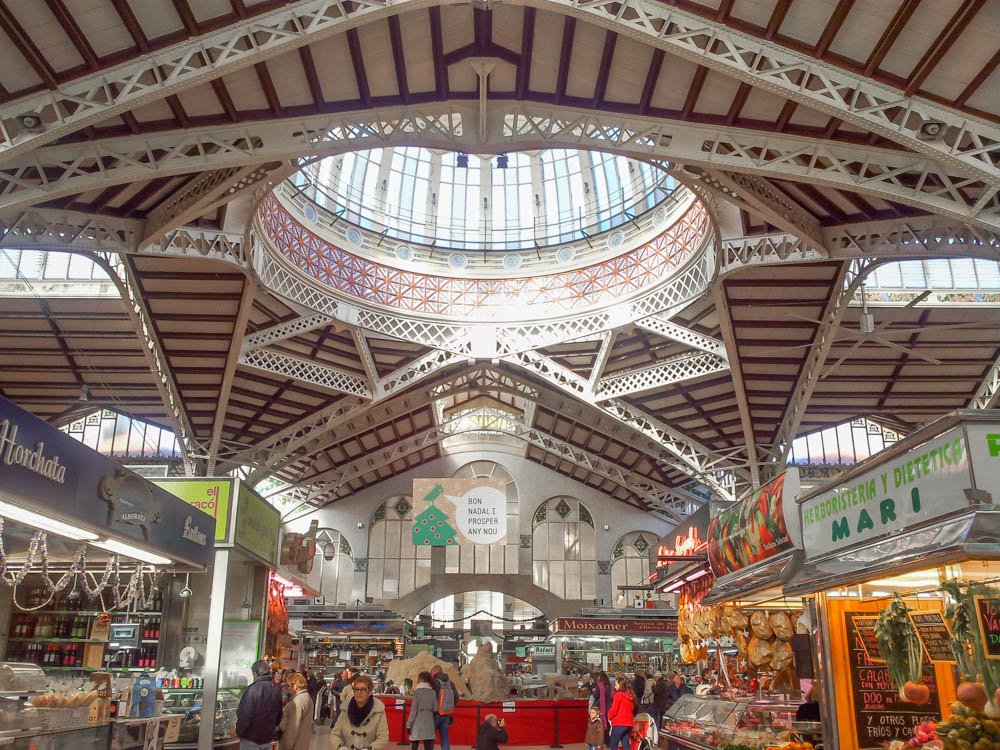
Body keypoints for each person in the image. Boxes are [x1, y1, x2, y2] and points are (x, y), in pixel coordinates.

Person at [330, 674, 390, 750]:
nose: (359, 692)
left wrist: (370, 748)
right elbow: (335, 734)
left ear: (370, 692)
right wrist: (340, 747)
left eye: (363, 689)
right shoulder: (345, 709)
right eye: (356, 689)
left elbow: (383, 738)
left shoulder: (378, 711)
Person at [236, 659, 283, 750]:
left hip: (251, 739)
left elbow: (245, 715)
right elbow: (279, 714)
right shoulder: (276, 689)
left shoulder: (252, 690)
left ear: (255, 673)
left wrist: (239, 732)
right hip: (267, 738)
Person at [278, 672, 314, 750]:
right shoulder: (306, 697)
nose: (287, 689)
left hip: (294, 745)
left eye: (288, 686)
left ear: (295, 686)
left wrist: (286, 746)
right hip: (302, 742)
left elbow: (293, 727)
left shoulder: (297, 702)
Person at [430, 664, 459, 750]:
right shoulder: (451, 683)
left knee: (430, 739)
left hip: (435, 715)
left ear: (435, 672)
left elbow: (431, 698)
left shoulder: (434, 683)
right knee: (445, 739)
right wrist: (450, 707)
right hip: (447, 715)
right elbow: (456, 698)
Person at [407, 671, 437, 750]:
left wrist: (409, 724)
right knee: (428, 745)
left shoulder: (417, 692)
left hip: (418, 720)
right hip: (429, 721)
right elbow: (435, 708)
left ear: (421, 679)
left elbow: (413, 710)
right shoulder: (433, 692)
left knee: (415, 743)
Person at [607, 676, 635, 750]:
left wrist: (608, 715)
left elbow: (614, 710)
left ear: (620, 685)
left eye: (616, 685)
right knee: (626, 744)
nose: (614, 686)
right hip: (628, 724)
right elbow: (632, 709)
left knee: (613, 744)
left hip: (619, 723)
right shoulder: (630, 695)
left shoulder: (618, 695)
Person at [589, 671, 613, 741]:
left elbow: (595, 695)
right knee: (608, 724)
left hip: (601, 707)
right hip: (609, 706)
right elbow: (612, 695)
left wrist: (593, 691)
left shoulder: (599, 685)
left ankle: (601, 740)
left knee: (600, 724)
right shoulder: (610, 685)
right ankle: (608, 741)